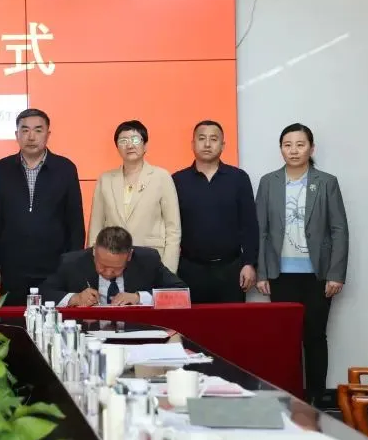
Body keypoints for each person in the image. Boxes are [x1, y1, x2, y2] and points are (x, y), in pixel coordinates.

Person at [256, 123, 349, 406]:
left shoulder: (326, 182)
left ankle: (316, 398)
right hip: (280, 274)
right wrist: (262, 272)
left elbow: (339, 230)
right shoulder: (268, 182)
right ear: (281, 149)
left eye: (300, 144)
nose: (294, 150)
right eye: (287, 145)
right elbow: (261, 230)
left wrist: (336, 273)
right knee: (286, 339)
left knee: (315, 336)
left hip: (317, 275)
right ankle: (290, 396)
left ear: (311, 148)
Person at [0, 108, 84, 306]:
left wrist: (73, 266)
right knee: (13, 321)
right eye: (25, 130)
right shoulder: (3, 168)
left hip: (55, 267)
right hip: (12, 268)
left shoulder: (65, 168)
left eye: (38, 130)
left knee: (52, 320)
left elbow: (75, 222)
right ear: (17, 135)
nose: (31, 137)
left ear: (48, 134)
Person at [172, 120, 259, 304]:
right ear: (192, 144)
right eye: (201, 138)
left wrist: (249, 263)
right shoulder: (177, 180)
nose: (207, 144)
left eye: (213, 139)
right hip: (189, 270)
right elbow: (170, 228)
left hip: (231, 269)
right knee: (192, 322)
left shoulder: (238, 178)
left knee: (231, 322)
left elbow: (250, 225)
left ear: (223, 145)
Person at [88, 119, 181, 272]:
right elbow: (96, 228)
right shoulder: (105, 179)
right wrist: (95, 265)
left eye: (135, 140)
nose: (129, 145)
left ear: (145, 145)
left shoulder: (161, 177)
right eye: (123, 141)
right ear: (117, 147)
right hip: (112, 261)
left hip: (152, 260)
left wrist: (168, 271)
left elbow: (173, 229)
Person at [41, 226, 185, 307]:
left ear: (129, 256)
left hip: (134, 334)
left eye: (116, 268)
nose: (108, 273)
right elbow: (43, 293)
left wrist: (139, 297)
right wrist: (75, 298)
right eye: (103, 266)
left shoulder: (148, 260)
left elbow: (181, 294)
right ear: (94, 251)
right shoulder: (72, 262)